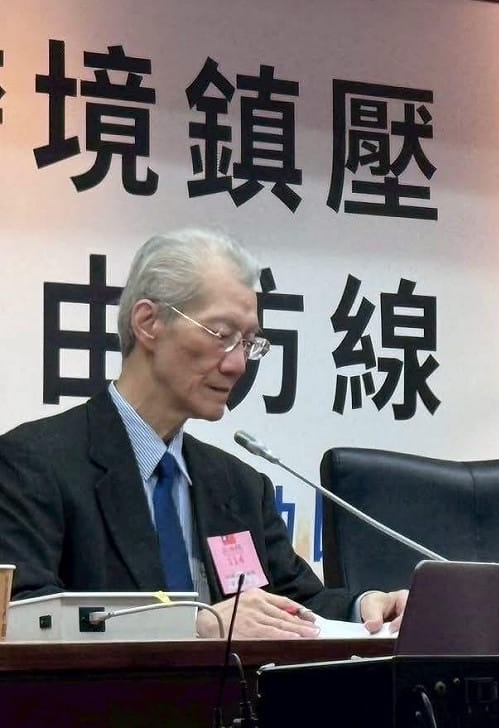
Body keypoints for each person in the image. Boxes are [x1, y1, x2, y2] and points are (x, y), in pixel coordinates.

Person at [0, 228, 406, 638]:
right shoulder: (35, 463)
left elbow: (295, 604)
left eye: (248, 342)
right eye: (221, 335)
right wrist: (197, 626)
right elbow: (24, 614)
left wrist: (365, 609)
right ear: (148, 323)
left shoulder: (238, 485)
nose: (237, 365)